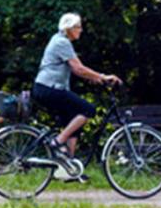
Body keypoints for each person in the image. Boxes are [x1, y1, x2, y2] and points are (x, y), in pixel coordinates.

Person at [32, 12, 121, 180]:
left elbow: (77, 70)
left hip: (49, 88)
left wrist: (95, 78)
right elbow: (78, 69)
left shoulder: (60, 40)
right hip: (49, 89)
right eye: (78, 27)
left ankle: (69, 168)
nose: (81, 30)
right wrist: (102, 76)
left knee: (74, 119)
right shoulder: (61, 42)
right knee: (88, 110)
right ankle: (58, 142)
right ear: (69, 29)